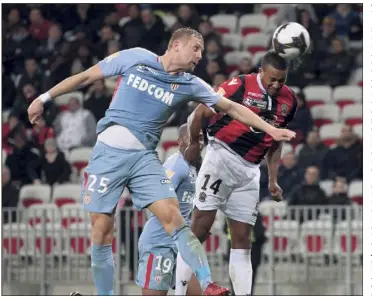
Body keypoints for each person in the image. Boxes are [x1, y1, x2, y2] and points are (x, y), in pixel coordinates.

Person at [27, 28, 295, 296]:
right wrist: (43, 98)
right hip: (108, 154)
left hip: (144, 158)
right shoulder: (136, 57)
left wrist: (270, 130)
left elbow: (233, 108)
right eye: (196, 48)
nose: (200, 55)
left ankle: (207, 283)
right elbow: (86, 76)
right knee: (101, 232)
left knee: (174, 217)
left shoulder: (191, 83)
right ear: (176, 45)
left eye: (202, 51)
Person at [177, 51, 298, 296]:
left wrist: (273, 180)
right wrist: (193, 143)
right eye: (272, 79)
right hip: (221, 157)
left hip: (250, 171)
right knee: (200, 228)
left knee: (243, 238)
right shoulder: (240, 84)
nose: (276, 85)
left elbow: (276, 141)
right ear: (261, 72)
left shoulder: (289, 101)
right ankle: (178, 293)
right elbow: (201, 111)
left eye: (281, 80)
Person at [136, 124, 203, 296]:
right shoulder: (176, 165)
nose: (198, 142)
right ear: (180, 141)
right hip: (160, 243)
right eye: (193, 138)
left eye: (201, 138)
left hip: (181, 245)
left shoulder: (194, 166)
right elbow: (157, 196)